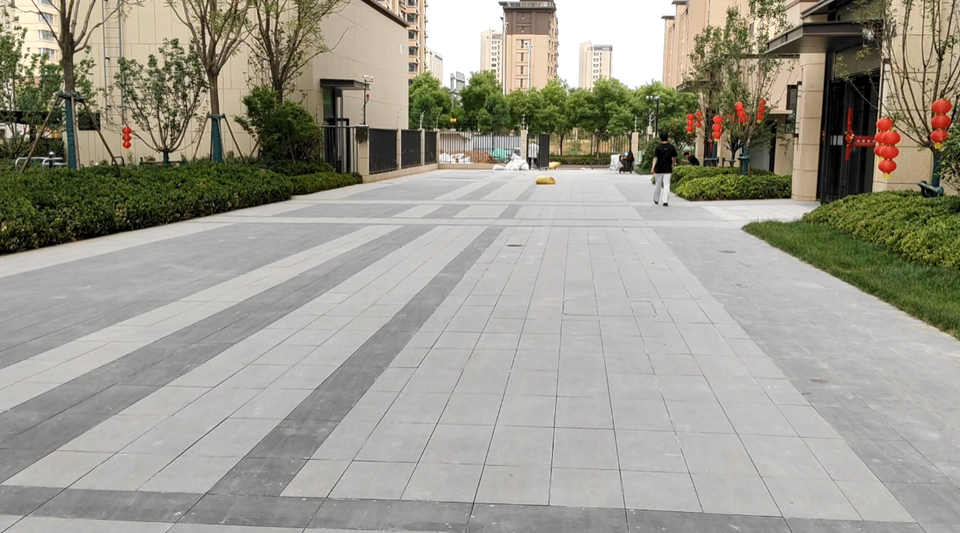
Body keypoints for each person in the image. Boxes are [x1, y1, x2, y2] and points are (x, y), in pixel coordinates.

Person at [651, 132, 678, 207]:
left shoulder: (658, 148)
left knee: (658, 184)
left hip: (658, 169)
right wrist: (673, 165)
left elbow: (655, 158)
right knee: (666, 185)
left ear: (660, 138)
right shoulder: (671, 147)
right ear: (667, 138)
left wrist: (653, 168)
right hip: (668, 169)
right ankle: (665, 201)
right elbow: (674, 158)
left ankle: (656, 199)